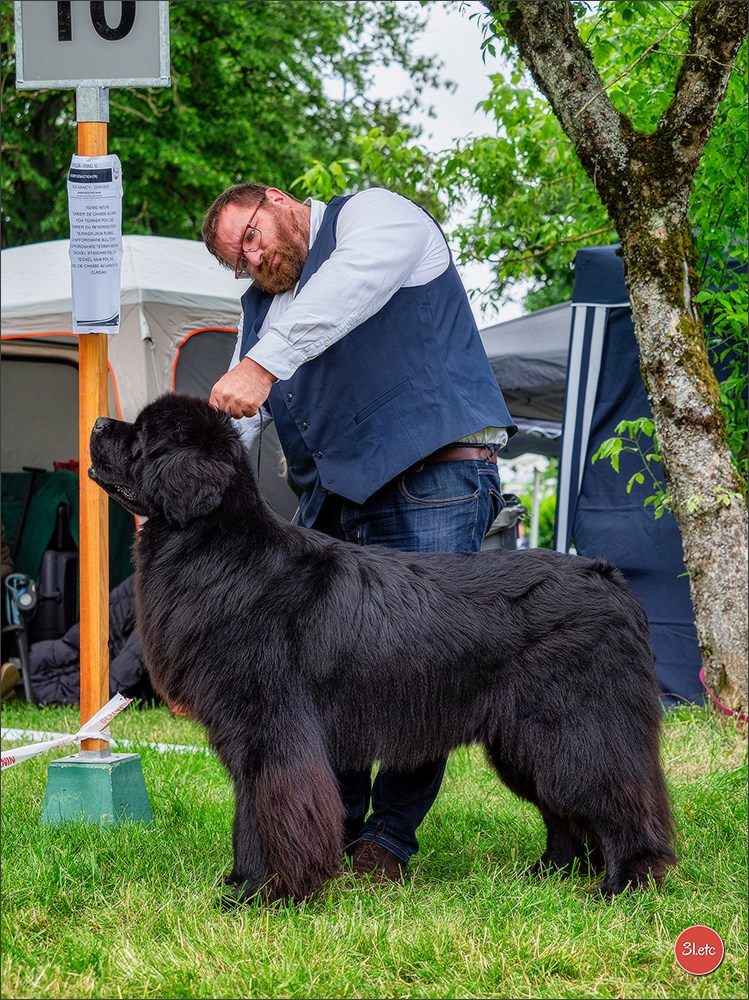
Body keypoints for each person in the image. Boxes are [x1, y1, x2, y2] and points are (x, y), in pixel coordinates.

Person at [201, 183, 517, 885]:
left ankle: (388, 841)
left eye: (252, 237)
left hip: (433, 475)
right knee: (323, 673)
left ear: (279, 200)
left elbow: (346, 290)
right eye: (238, 261)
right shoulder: (261, 309)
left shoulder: (374, 216)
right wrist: (187, 471)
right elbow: (241, 413)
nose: (253, 261)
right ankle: (330, 831)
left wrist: (261, 363)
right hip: (334, 499)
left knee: (418, 666)